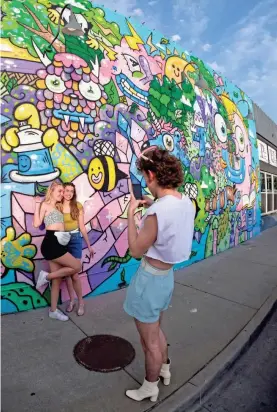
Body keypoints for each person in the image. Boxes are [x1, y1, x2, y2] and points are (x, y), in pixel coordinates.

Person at [124, 147, 195, 402]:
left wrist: (131, 215)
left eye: (144, 175)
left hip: (149, 280)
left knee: (149, 341)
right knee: (156, 332)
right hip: (166, 279)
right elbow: (170, 224)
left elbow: (134, 250)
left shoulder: (156, 213)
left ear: (152, 175)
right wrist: (154, 205)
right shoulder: (184, 202)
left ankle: (149, 386)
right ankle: (164, 368)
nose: (144, 180)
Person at [33, 181, 82, 321]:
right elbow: (37, 224)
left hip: (60, 242)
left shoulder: (58, 206)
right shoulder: (45, 205)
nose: (62, 194)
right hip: (51, 243)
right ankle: (46, 277)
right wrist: (37, 205)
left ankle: (53, 310)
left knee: (57, 279)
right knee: (77, 266)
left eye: (63, 191)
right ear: (52, 191)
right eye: (59, 191)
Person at [62, 182, 94, 316]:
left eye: (71, 191)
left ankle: (80, 301)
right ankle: (71, 300)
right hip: (62, 241)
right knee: (67, 275)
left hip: (75, 240)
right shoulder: (57, 206)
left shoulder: (77, 206)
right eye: (66, 190)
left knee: (74, 273)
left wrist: (89, 245)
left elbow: (82, 227)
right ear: (62, 192)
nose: (69, 193)